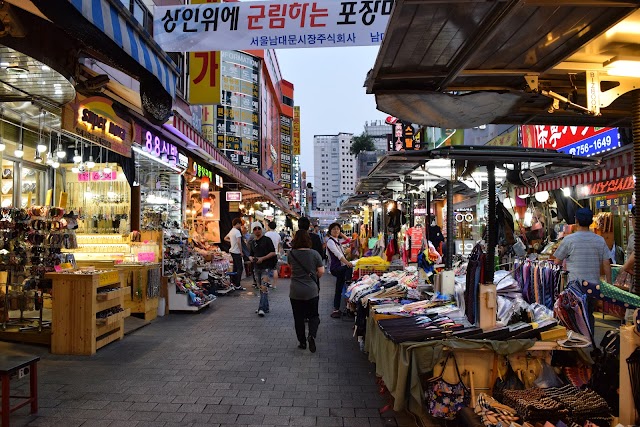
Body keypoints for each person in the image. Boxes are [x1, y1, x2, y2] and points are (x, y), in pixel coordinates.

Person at [288, 229, 324, 352]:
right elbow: (321, 272)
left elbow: (291, 268)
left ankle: (302, 343)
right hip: (311, 290)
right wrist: (313, 277)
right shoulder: (315, 254)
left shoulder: (291, 254)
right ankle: (312, 335)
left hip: (295, 291)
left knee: (298, 318)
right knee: (314, 316)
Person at [553, 208, 611, 284]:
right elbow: (606, 263)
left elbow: (557, 262)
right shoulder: (600, 240)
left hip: (575, 288)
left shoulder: (568, 240)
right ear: (591, 221)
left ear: (576, 221)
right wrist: (609, 283)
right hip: (594, 287)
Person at [249, 222, 277, 316]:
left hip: (266, 267)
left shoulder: (267, 240)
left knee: (264, 287)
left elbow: (273, 252)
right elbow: (250, 254)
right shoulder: (253, 242)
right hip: (256, 267)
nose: (257, 230)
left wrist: (263, 258)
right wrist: (251, 258)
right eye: (255, 229)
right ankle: (266, 307)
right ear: (252, 231)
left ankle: (261, 308)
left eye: (259, 228)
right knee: (261, 288)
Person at [326, 222, 354, 318]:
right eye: (334, 229)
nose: (336, 230)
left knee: (339, 288)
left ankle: (336, 308)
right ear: (330, 231)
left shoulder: (337, 240)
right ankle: (344, 307)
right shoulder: (330, 242)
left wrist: (340, 233)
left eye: (337, 229)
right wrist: (348, 263)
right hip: (336, 268)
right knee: (347, 280)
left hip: (340, 267)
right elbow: (339, 255)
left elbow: (349, 241)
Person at [224, 218, 245, 290]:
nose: (240, 226)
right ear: (238, 224)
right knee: (240, 268)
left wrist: (232, 241)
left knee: (235, 268)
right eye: (240, 224)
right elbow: (239, 242)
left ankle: (234, 282)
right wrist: (241, 251)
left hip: (232, 251)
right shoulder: (237, 232)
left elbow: (225, 238)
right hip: (237, 252)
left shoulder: (231, 231)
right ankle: (238, 284)